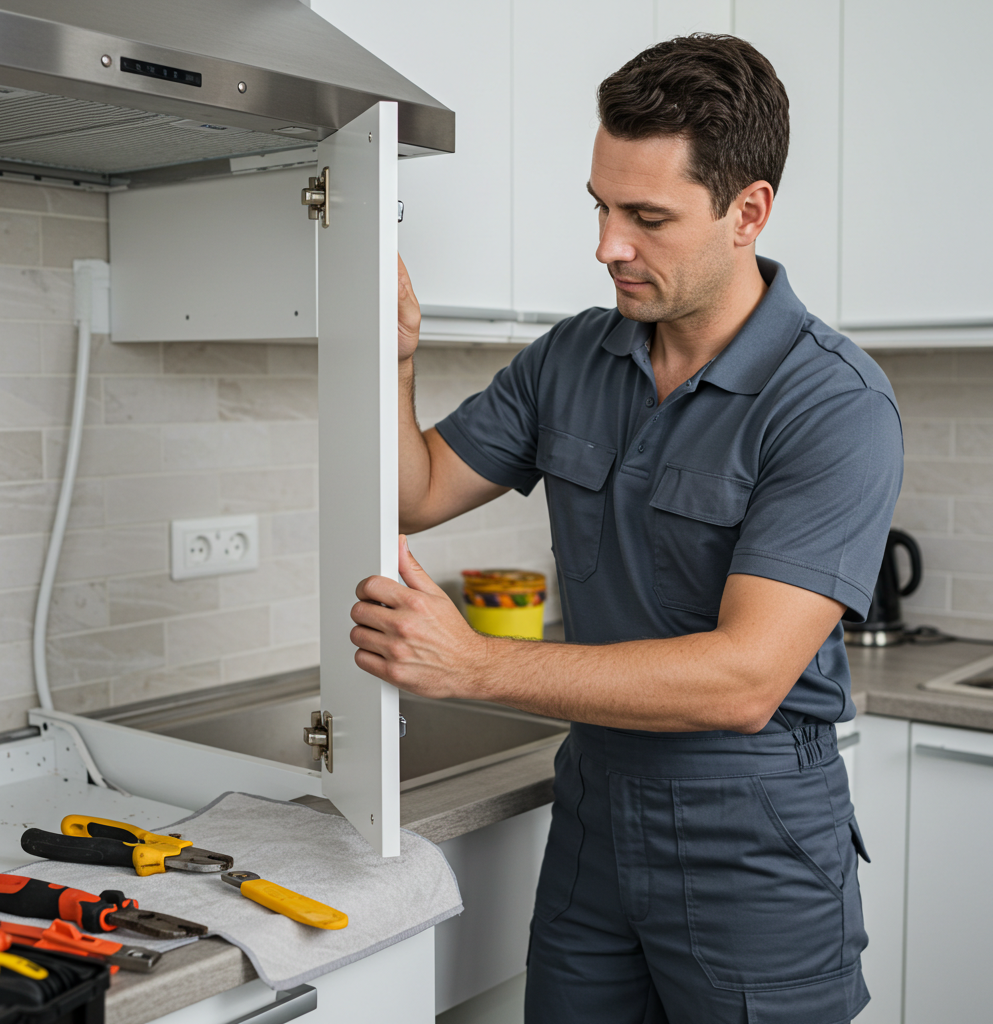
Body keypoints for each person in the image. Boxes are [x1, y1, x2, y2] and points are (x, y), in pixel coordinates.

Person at [349, 33, 902, 1024]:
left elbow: (742, 680)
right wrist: (392, 364)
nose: (607, 245)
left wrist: (473, 664)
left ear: (748, 212)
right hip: (595, 814)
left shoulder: (833, 404)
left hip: (754, 837)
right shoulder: (572, 356)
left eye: (646, 217)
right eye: (600, 207)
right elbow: (417, 492)